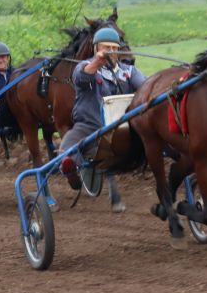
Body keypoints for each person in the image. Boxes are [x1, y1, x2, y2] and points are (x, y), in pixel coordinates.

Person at [59, 27, 146, 190]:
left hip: (125, 127)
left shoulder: (129, 71)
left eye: (114, 48)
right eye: (106, 47)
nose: (111, 51)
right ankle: (70, 168)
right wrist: (96, 63)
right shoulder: (85, 66)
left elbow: (145, 86)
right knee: (67, 145)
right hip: (89, 127)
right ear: (96, 48)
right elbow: (80, 77)